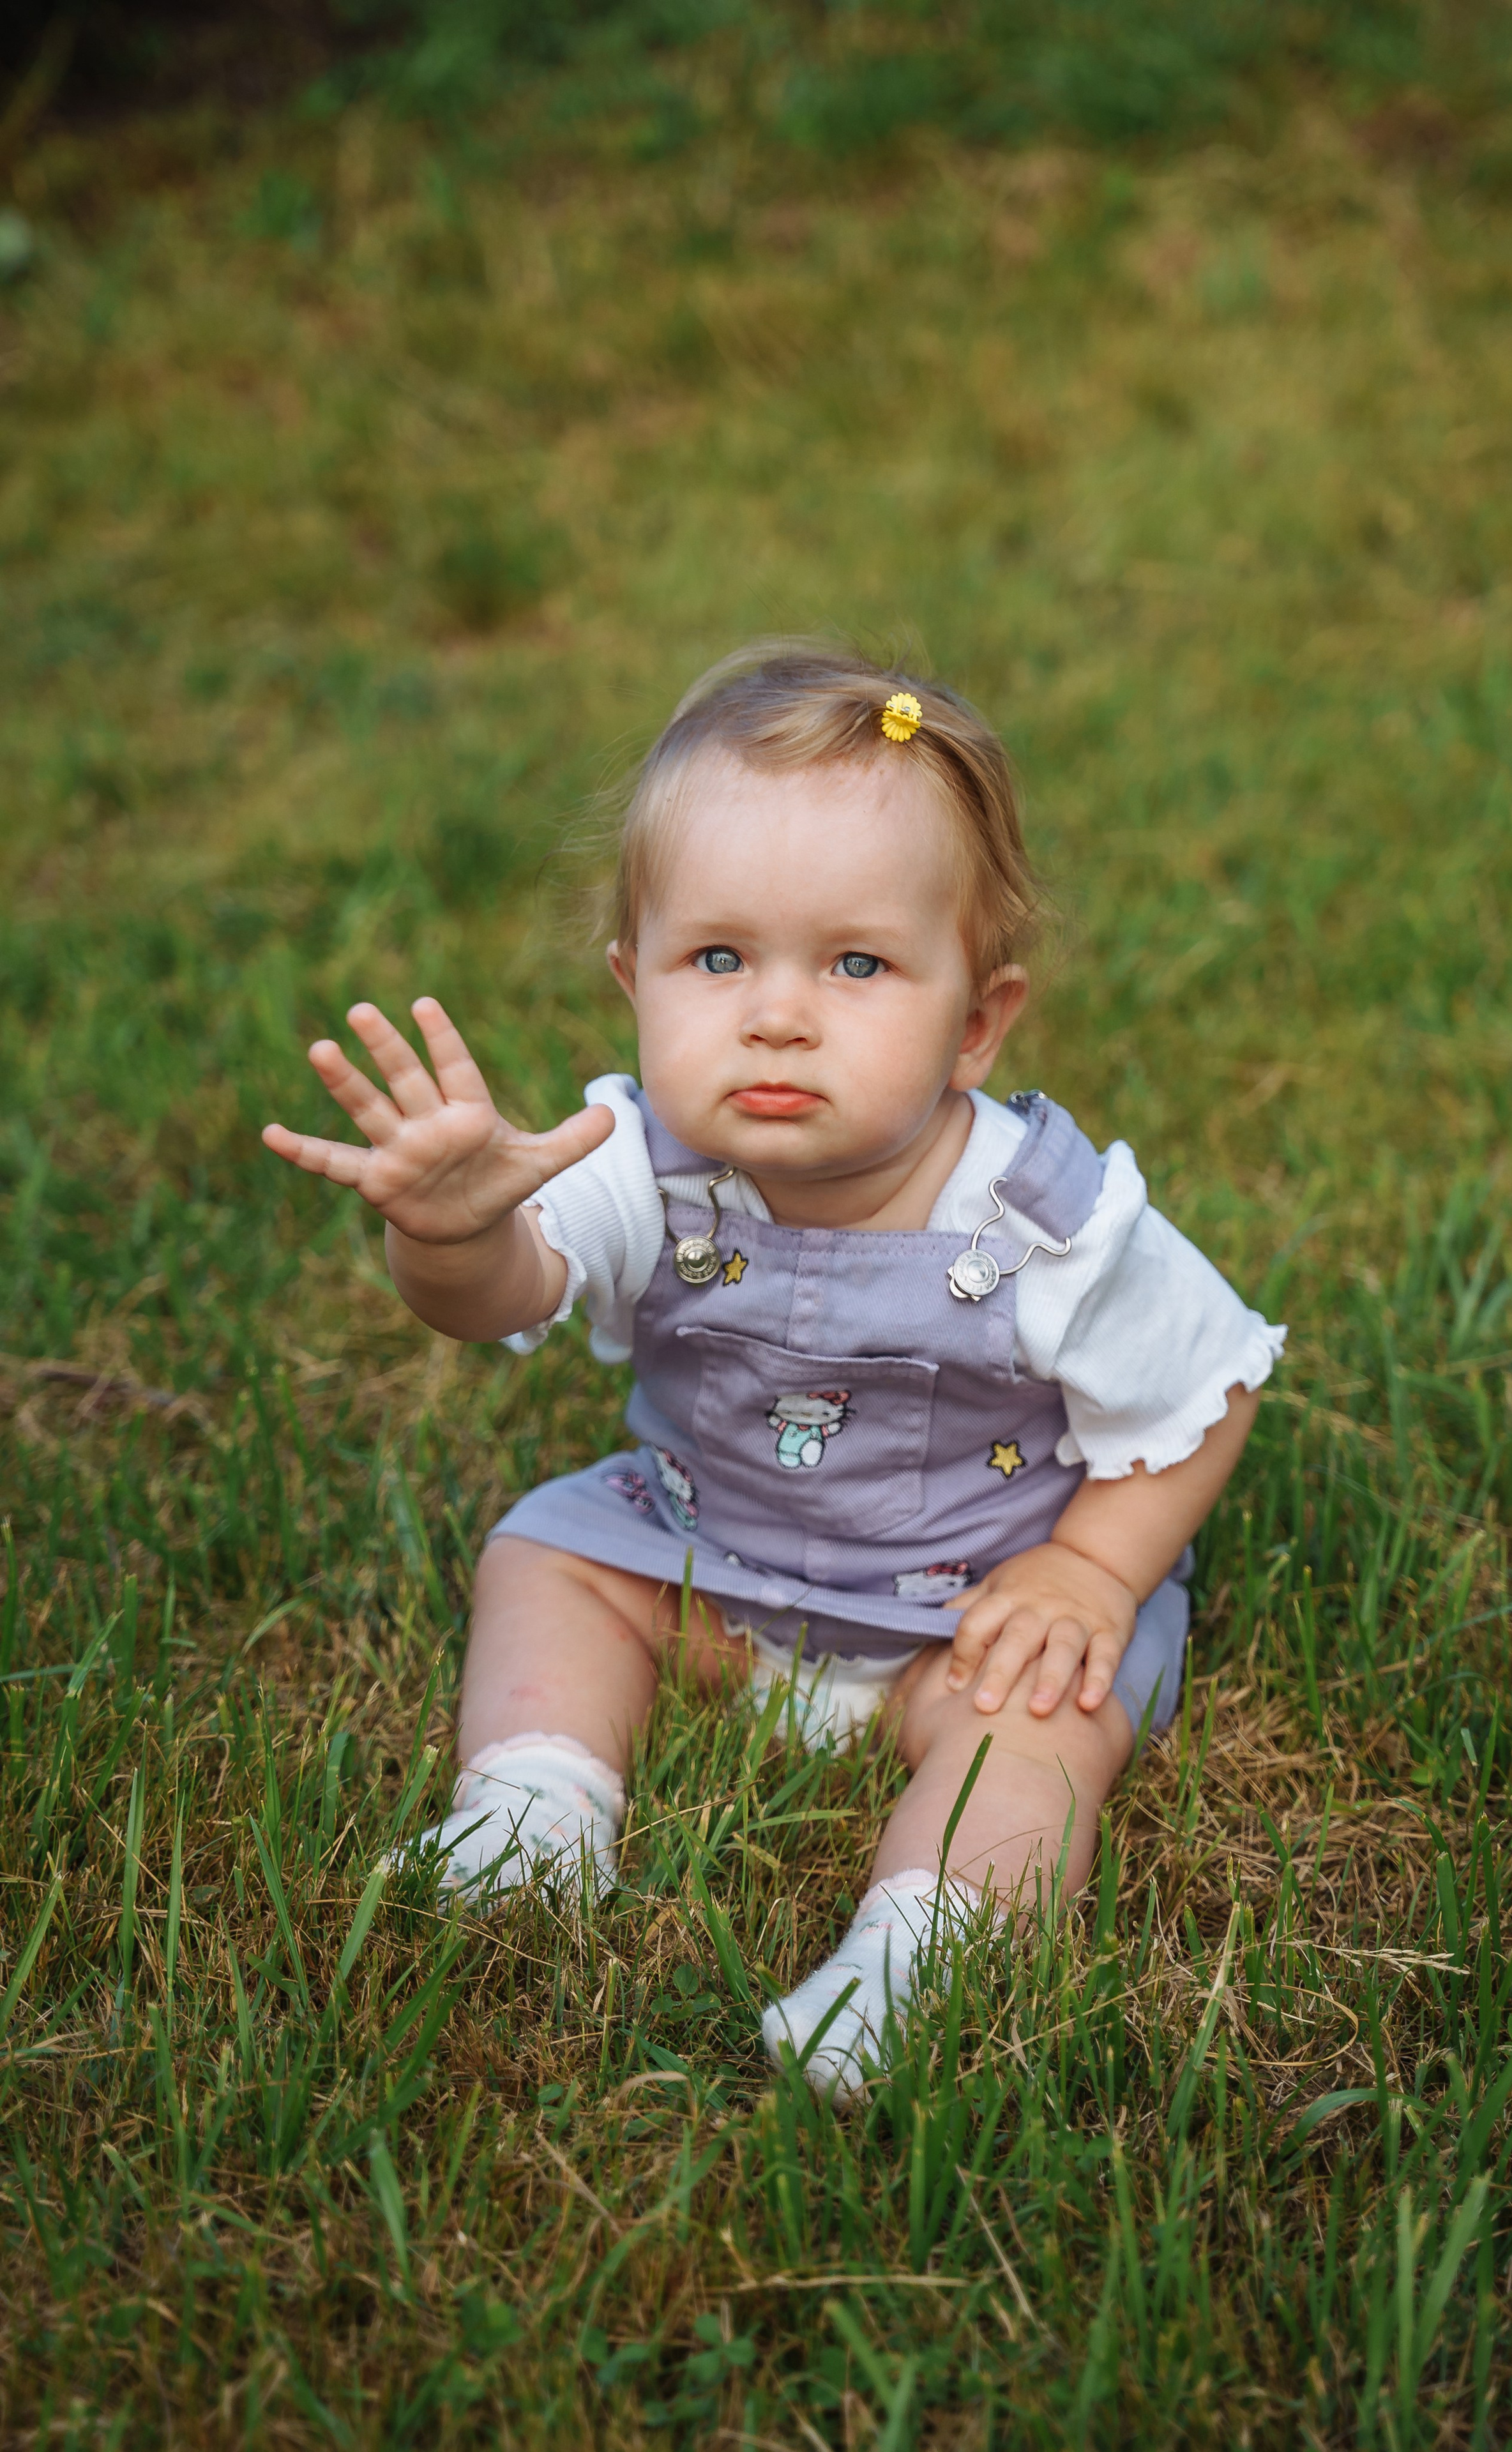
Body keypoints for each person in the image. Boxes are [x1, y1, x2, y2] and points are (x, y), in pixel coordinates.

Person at [263, 644, 1283, 2097]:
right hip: (706, 1565)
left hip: (963, 1614)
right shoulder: (638, 1161)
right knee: (548, 1556)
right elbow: (503, 1295)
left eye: (857, 964)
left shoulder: (1048, 1220)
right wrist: (452, 1231)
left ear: (975, 1021)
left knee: (1037, 1729)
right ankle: (533, 1816)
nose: (776, 1013)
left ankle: (928, 1952)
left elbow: (1205, 1391)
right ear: (634, 982)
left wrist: (1092, 1578)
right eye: (716, 958)